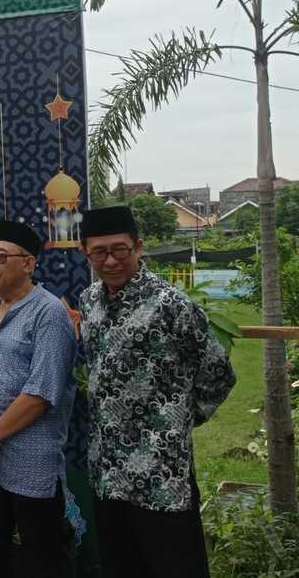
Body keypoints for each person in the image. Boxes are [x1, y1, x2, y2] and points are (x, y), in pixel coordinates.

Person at [79, 206, 235, 578]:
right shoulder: (89, 303)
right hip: (108, 471)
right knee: (121, 567)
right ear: (85, 253)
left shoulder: (171, 306)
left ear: (139, 247)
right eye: (99, 252)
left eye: (120, 249)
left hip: (162, 476)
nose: (111, 260)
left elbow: (219, 374)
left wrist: (179, 420)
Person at [0, 219, 76, 578]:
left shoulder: (49, 313)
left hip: (28, 459)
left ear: (28, 263)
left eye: (1, 256)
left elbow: (41, 392)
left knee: (41, 554)